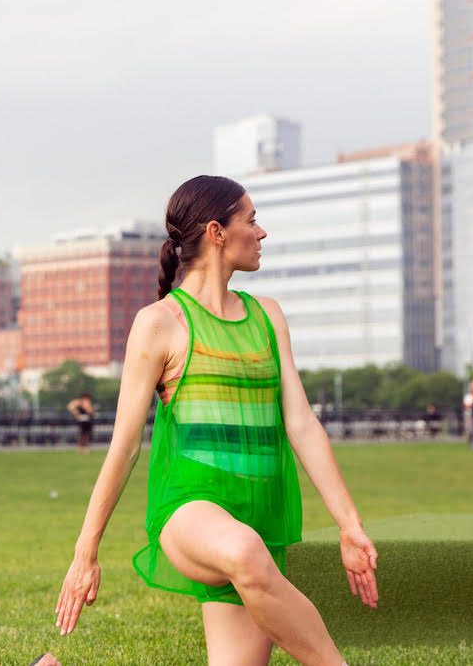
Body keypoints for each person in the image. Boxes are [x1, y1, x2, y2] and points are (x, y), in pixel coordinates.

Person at [54, 176, 378, 666]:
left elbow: (302, 425)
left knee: (249, 559)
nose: (262, 232)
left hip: (260, 519)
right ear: (216, 232)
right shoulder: (160, 322)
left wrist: (350, 526)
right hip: (191, 511)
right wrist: (86, 552)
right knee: (244, 551)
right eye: (251, 220)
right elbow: (124, 445)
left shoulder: (268, 316)